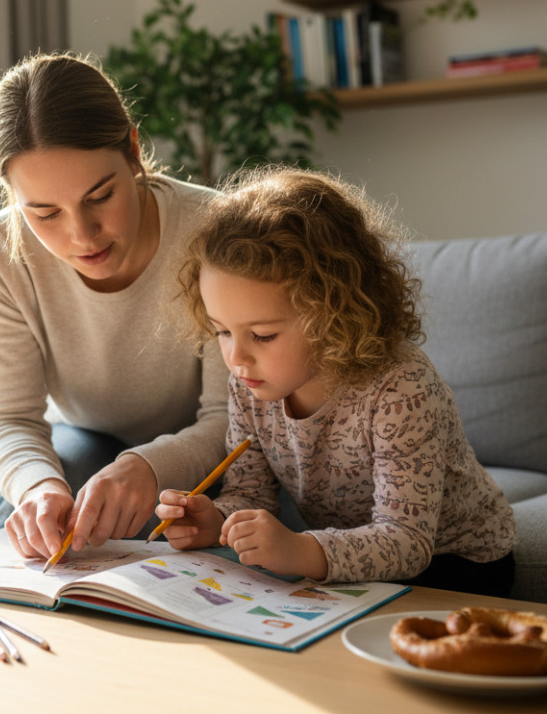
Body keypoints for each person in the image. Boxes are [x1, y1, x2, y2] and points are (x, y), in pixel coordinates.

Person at [157, 166, 517, 596]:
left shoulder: (401, 388)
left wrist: (299, 550)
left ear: (334, 313)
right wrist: (217, 520)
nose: (236, 358)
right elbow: (250, 495)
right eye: (222, 331)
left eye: (264, 335)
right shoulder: (249, 384)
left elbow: (408, 542)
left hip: (457, 563)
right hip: (353, 560)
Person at [0, 52, 229, 561]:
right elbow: (8, 419)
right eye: (45, 213)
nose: (82, 234)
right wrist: (36, 489)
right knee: (46, 511)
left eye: (100, 196)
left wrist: (150, 466)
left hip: (200, 444)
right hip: (83, 435)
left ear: (132, 149)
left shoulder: (214, 229)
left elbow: (231, 418)